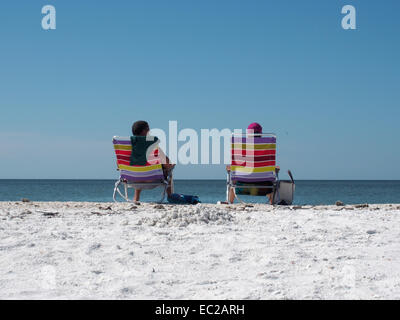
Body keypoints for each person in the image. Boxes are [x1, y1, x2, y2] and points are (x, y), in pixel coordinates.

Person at [226, 122, 279, 204]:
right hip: (265, 186)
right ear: (260, 134)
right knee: (270, 179)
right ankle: (272, 202)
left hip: (241, 185)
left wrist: (231, 168)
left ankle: (230, 201)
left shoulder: (241, 146)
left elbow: (237, 165)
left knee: (233, 178)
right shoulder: (266, 145)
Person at [130, 120, 175, 202]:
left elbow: (120, 165)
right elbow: (167, 164)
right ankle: (170, 196)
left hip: (132, 179)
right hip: (151, 179)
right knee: (169, 171)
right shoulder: (151, 143)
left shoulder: (129, 146)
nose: (149, 131)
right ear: (144, 131)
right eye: (148, 129)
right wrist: (171, 166)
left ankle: (136, 198)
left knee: (138, 168)